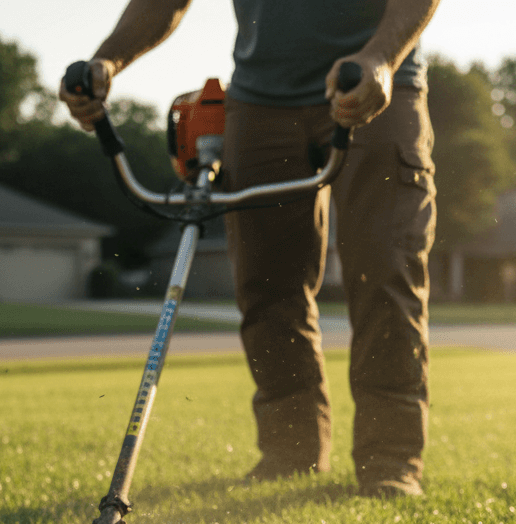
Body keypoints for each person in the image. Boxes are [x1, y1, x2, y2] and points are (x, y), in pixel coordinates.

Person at [61, 0, 440, 497]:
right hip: (259, 102)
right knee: (265, 286)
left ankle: (390, 461)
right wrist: (107, 60)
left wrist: (382, 59)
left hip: (370, 80)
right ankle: (290, 452)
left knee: (385, 271)